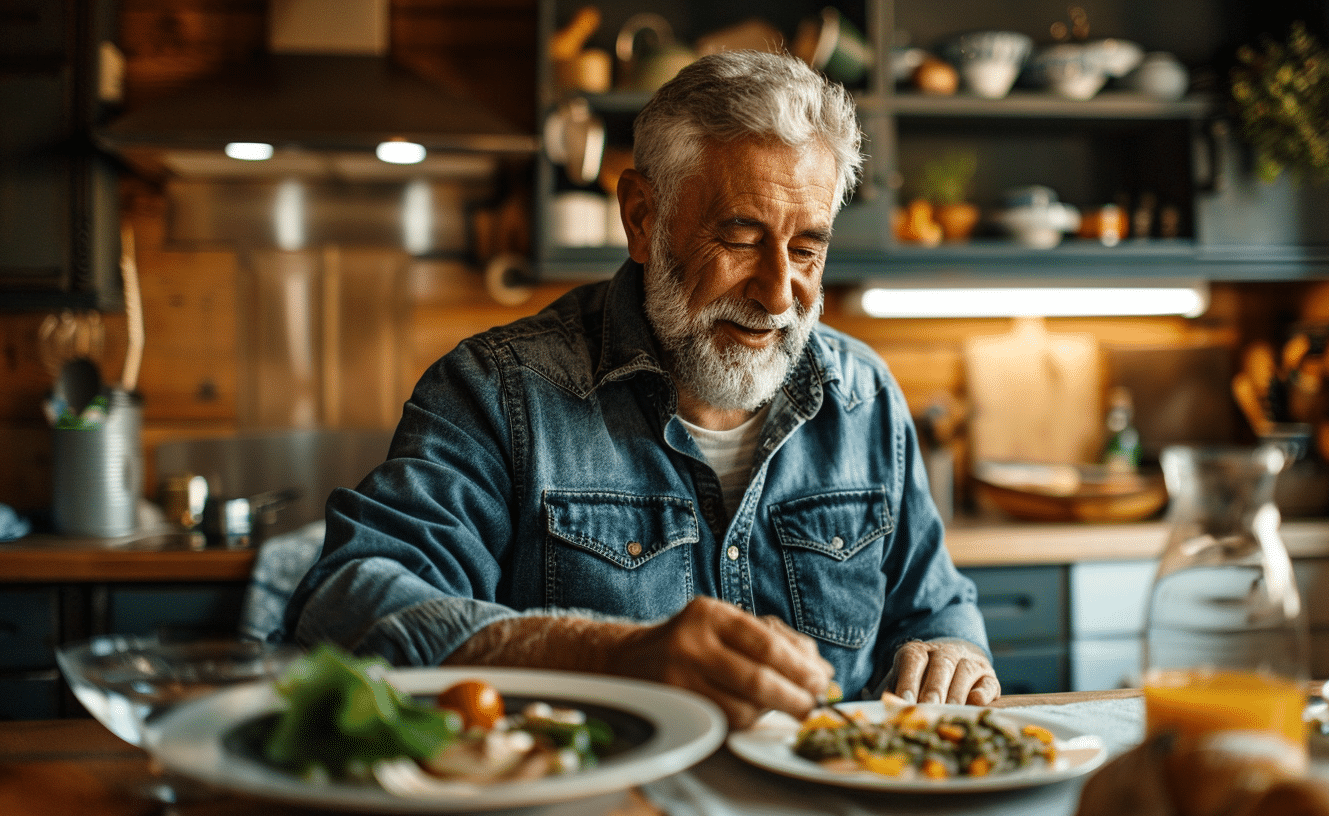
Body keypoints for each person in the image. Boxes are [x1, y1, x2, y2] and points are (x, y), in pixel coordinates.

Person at [284, 49, 998, 729]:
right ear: (642, 218)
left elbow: (935, 609)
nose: (780, 294)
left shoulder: (864, 397)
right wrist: (611, 657)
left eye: (808, 247)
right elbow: (345, 607)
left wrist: (954, 654)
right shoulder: (497, 392)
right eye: (742, 238)